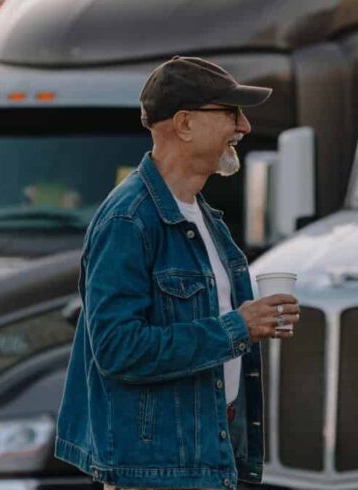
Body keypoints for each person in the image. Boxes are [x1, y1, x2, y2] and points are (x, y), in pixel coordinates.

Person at [55, 56, 299, 490]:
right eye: (230, 113)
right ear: (184, 124)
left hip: (202, 462)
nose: (243, 126)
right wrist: (236, 327)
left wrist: (248, 321)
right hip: (157, 473)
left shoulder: (204, 217)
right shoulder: (128, 220)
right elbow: (117, 349)